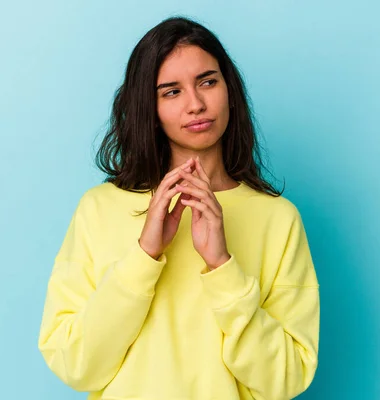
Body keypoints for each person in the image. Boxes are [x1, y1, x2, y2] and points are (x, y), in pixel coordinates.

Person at [37, 16, 320, 400]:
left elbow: (286, 378)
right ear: (148, 108)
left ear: (229, 89)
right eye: (171, 92)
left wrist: (222, 267)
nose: (196, 104)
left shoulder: (278, 219)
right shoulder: (99, 209)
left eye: (208, 81)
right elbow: (75, 364)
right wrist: (144, 257)